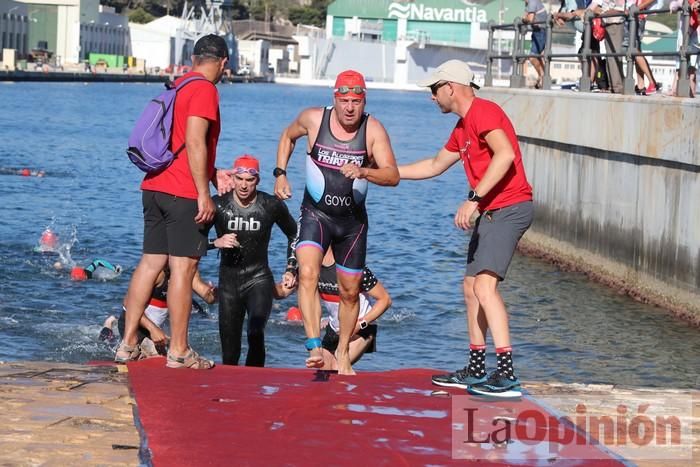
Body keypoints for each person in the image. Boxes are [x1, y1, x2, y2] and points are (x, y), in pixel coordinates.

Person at [399, 60, 533, 398]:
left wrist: (474, 199)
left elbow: (504, 156)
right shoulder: (462, 128)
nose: (432, 98)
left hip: (509, 207)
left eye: (434, 90)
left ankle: (507, 375)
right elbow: (433, 165)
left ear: (450, 88)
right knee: (471, 286)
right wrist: (386, 172)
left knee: (485, 287)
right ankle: (475, 369)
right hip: (491, 210)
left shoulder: (483, 112)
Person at [115, 34, 233, 370]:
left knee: (150, 263)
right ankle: (179, 351)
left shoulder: (178, 85)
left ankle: (127, 344)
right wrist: (204, 192)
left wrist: (212, 174)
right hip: (182, 192)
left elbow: (181, 140)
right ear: (223, 62)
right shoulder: (205, 90)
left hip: (154, 185)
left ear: (194, 58)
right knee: (183, 268)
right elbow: (195, 141)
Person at [274, 69, 400, 375]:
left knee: (348, 292)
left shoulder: (373, 130)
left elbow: (393, 175)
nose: (349, 108)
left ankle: (342, 351)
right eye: (344, 100)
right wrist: (280, 173)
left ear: (363, 100)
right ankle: (315, 345)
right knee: (307, 273)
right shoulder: (314, 119)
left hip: (352, 224)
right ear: (335, 98)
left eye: (356, 101)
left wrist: (365, 172)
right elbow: (287, 136)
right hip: (316, 214)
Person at [210, 155, 298, 367]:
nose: (243, 185)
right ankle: (230, 395)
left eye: (250, 180)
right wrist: (216, 242)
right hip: (229, 283)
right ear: (233, 178)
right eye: (239, 179)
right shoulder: (218, 204)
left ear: (257, 181)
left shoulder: (271, 205)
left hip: (259, 279)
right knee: (230, 354)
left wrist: (291, 268)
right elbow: (191, 242)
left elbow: (295, 234)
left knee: (255, 333)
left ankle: (254, 389)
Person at [101, 267, 217, 356]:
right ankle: (109, 324)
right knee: (110, 344)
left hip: (156, 330)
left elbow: (209, 297)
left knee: (174, 357)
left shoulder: (188, 271)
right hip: (135, 325)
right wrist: (153, 329)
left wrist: (218, 293)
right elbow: (128, 304)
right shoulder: (157, 273)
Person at [316, 248, 391, 371]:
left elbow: (385, 300)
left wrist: (360, 324)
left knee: (337, 367)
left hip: (362, 329)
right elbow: (291, 290)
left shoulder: (352, 268)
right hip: (334, 330)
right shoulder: (312, 268)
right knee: (323, 371)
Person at [589, 0, 626, 94]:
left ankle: (617, 86)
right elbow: (594, 5)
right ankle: (613, 86)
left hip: (615, 22)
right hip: (608, 23)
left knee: (614, 56)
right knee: (610, 57)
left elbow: (621, 9)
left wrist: (601, 12)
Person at [523, 0, 548, 88]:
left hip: (540, 31)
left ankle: (543, 77)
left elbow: (530, 19)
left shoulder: (532, 2)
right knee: (537, 56)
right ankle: (543, 78)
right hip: (538, 31)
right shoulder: (530, 3)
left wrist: (524, 19)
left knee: (533, 57)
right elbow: (527, 16)